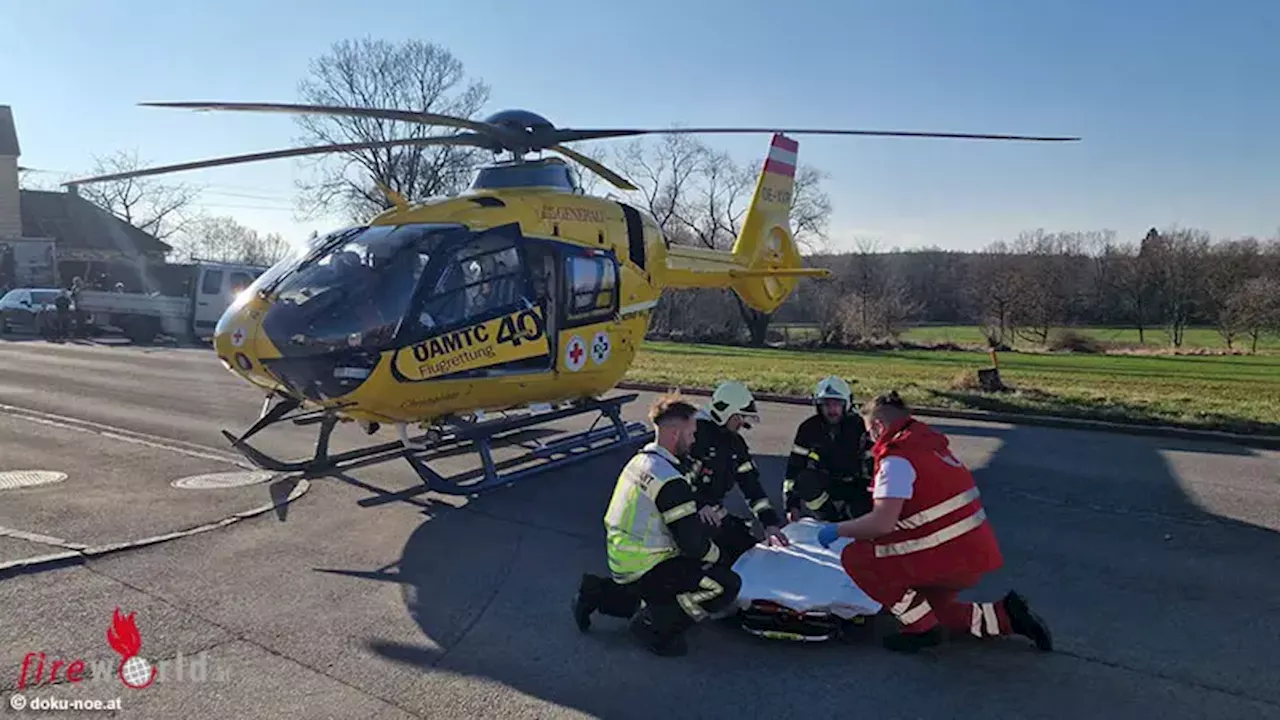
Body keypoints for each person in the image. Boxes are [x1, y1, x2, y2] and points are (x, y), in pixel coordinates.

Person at [816, 391, 1053, 654]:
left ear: (879, 426)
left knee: (856, 556)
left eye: (869, 433)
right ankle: (1008, 616)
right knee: (937, 611)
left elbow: (881, 523)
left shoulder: (897, 460)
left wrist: (838, 529)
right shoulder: (932, 449)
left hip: (943, 555)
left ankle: (921, 630)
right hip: (970, 553)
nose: (870, 440)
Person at [572, 392, 742, 657]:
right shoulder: (670, 480)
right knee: (725, 584)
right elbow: (693, 546)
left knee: (666, 586)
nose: (694, 439)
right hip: (645, 564)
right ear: (675, 433)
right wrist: (720, 554)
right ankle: (655, 627)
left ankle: (595, 593)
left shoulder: (641, 461)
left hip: (624, 556)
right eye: (691, 433)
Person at [686, 380, 789, 564]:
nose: (742, 423)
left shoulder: (735, 444)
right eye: (739, 416)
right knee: (720, 561)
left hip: (714, 514)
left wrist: (769, 523)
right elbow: (676, 482)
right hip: (686, 516)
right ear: (725, 411)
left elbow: (751, 486)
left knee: (747, 550)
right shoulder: (695, 435)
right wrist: (700, 504)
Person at [784, 376, 873, 523]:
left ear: (847, 404)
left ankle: (850, 514)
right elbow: (794, 467)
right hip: (827, 481)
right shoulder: (808, 428)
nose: (832, 410)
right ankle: (828, 517)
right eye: (826, 404)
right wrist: (791, 506)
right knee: (804, 481)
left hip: (857, 484)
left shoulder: (860, 426)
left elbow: (876, 466)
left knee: (858, 514)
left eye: (837, 404)